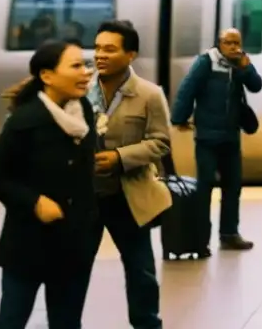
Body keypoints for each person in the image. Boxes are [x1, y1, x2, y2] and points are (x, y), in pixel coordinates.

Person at [0, 40, 99, 329]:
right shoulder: (25, 120)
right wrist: (34, 201)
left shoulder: (82, 109)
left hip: (74, 241)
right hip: (28, 242)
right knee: (12, 319)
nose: (86, 72)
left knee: (67, 321)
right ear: (47, 76)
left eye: (85, 64)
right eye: (75, 66)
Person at [89, 20, 172, 329]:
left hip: (128, 195)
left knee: (140, 270)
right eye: (97, 48)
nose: (100, 55)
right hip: (86, 196)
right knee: (74, 267)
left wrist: (120, 157)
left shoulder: (149, 95)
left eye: (109, 49)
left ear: (131, 54)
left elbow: (160, 142)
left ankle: (147, 324)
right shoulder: (81, 90)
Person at [170, 27, 262, 255]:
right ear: (219, 44)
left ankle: (229, 234)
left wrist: (246, 68)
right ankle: (200, 239)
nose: (234, 47)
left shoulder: (240, 64)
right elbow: (187, 90)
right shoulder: (206, 63)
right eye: (229, 43)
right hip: (207, 139)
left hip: (231, 137)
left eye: (237, 43)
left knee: (233, 187)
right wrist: (179, 118)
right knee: (205, 188)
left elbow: (256, 85)